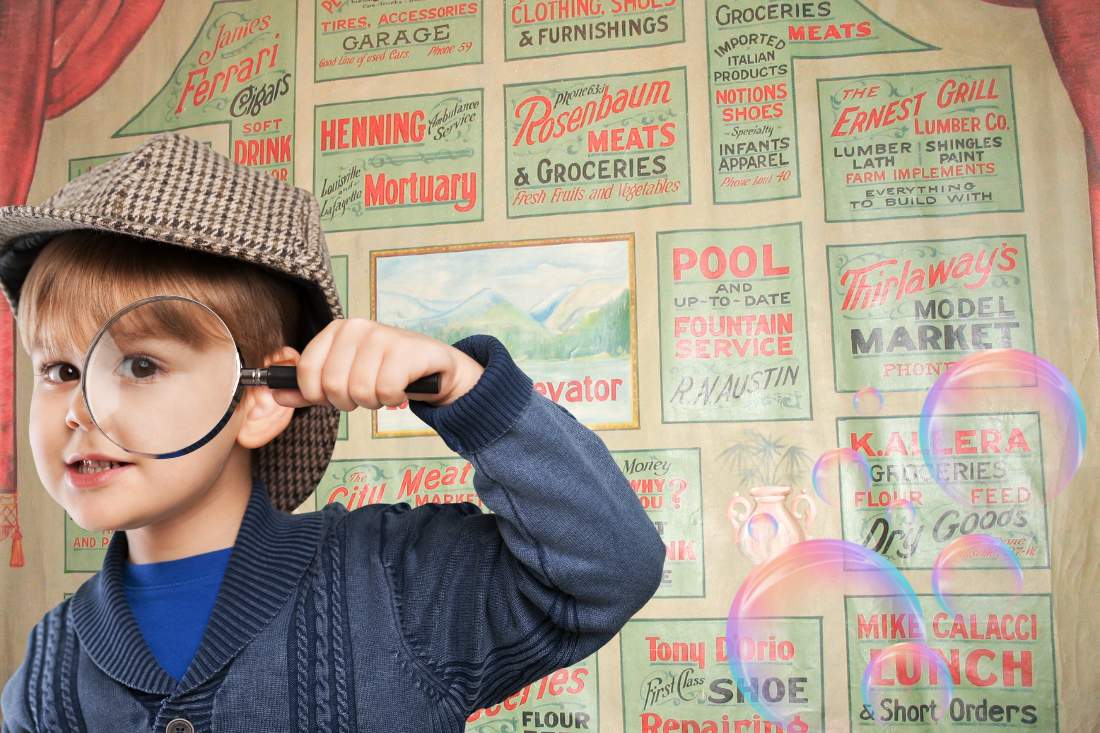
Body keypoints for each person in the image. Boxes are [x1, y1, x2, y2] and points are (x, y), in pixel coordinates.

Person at [0, 132, 664, 733]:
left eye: (139, 364)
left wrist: (466, 390)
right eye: (59, 369)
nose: (77, 412)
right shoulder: (46, 672)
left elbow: (611, 568)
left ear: (260, 397)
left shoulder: (402, 583)